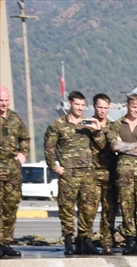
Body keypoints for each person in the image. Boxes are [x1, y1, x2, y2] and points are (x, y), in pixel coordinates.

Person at [45, 91, 102, 256]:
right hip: (68, 174)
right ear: (70, 104)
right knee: (66, 208)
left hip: (87, 173)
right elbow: (49, 148)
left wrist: (97, 131)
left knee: (88, 208)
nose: (80, 108)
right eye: (77, 104)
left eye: (83, 105)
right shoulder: (58, 125)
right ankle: (69, 240)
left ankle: (86, 240)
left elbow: (100, 146)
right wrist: (54, 167)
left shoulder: (88, 123)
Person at [111, 95, 137, 256]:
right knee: (126, 205)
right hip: (124, 172)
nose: (135, 111)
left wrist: (124, 146)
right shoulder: (117, 125)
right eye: (133, 107)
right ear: (127, 106)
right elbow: (114, 145)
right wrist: (136, 144)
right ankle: (131, 240)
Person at [0, 85, 30, 259]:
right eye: (1, 101)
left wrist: (23, 154)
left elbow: (25, 138)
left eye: (6, 101)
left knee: (10, 208)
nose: (3, 104)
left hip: (12, 172)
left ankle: (5, 242)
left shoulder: (14, 118)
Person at [90, 94, 119, 255]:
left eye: (106, 108)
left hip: (109, 173)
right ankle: (85, 240)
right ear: (94, 106)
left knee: (109, 210)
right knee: (89, 210)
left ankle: (107, 242)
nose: (103, 111)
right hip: (91, 173)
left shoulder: (113, 127)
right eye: (100, 107)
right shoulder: (87, 125)